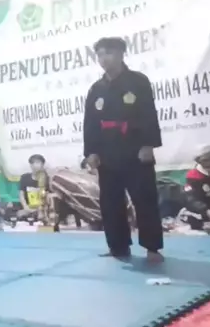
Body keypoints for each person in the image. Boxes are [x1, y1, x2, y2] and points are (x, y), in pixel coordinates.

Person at [83, 37, 164, 262]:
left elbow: (149, 114)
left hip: (135, 150)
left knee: (144, 200)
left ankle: (152, 248)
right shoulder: (96, 89)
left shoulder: (138, 81)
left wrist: (148, 144)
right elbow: (90, 123)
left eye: (108, 53)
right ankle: (118, 246)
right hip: (107, 154)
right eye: (100, 54)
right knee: (110, 203)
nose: (103, 59)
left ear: (121, 54)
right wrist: (91, 152)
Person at [180, 146, 210, 230]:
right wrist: (206, 210)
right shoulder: (194, 175)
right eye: (205, 160)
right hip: (206, 211)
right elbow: (190, 198)